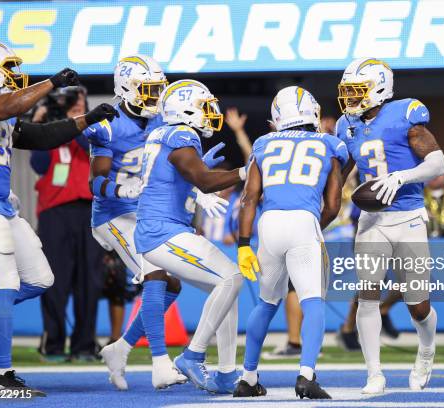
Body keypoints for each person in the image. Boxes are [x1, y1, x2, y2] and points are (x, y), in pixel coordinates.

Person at [0, 41, 117, 393]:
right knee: (3, 284)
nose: (15, 76)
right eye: (8, 68)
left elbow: (38, 136)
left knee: (39, 279)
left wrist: (85, 120)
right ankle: (1, 377)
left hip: (0, 204)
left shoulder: (3, 107)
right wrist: (49, 83)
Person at [336, 58, 444, 394]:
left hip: (409, 217)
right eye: (348, 92)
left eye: (358, 91)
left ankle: (426, 350)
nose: (351, 99)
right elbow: (339, 174)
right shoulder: (346, 124)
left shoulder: (404, 114)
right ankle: (374, 374)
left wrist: (403, 176)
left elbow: (438, 162)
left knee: (418, 305)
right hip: (371, 220)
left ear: (379, 89)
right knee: (367, 296)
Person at [233, 86, 347, 399]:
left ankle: (247, 377)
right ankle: (306, 375)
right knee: (313, 302)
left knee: (267, 302)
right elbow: (334, 204)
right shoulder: (329, 143)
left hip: (268, 225)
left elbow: (249, 197)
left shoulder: (264, 143)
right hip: (302, 221)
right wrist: (312, 227)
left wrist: (244, 243)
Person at [135, 79, 247, 394]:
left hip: (164, 227)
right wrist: (244, 172)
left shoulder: (162, 133)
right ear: (185, 109)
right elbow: (204, 180)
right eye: (204, 106)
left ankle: (226, 373)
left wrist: (200, 177)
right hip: (161, 231)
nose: (211, 112)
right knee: (231, 278)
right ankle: (192, 355)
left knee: (226, 283)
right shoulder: (181, 133)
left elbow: (185, 177)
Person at [85, 55, 187, 390]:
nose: (156, 96)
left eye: (159, 89)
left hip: (145, 213)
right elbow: (95, 182)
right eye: (148, 89)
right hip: (112, 213)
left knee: (172, 286)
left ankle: (121, 348)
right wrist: (119, 188)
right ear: (126, 88)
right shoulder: (108, 124)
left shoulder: (161, 121)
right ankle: (160, 364)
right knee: (154, 274)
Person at [30, 86, 107, 362]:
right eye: (70, 103)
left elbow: (86, 148)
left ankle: (84, 344)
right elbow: (38, 164)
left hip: (89, 210)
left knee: (90, 280)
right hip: (55, 213)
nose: (76, 106)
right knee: (54, 280)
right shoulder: (51, 132)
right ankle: (53, 343)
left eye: (80, 103)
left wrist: (78, 122)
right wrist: (39, 123)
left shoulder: (93, 130)